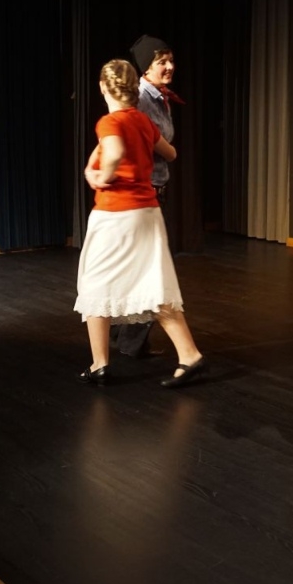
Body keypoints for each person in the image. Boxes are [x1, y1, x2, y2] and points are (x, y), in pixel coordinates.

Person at [75, 59, 206, 389]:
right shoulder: (142, 121)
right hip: (147, 212)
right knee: (153, 284)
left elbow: (114, 151)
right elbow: (170, 153)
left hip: (116, 214)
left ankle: (100, 364)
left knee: (95, 283)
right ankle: (189, 354)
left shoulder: (110, 122)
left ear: (103, 87)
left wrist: (103, 176)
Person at [108, 34, 186, 358]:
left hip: (155, 190)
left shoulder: (159, 97)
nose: (169, 66)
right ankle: (130, 340)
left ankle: (122, 335)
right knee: (151, 271)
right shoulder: (140, 99)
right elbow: (128, 138)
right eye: (161, 62)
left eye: (171, 60)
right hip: (143, 193)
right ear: (146, 67)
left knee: (139, 267)